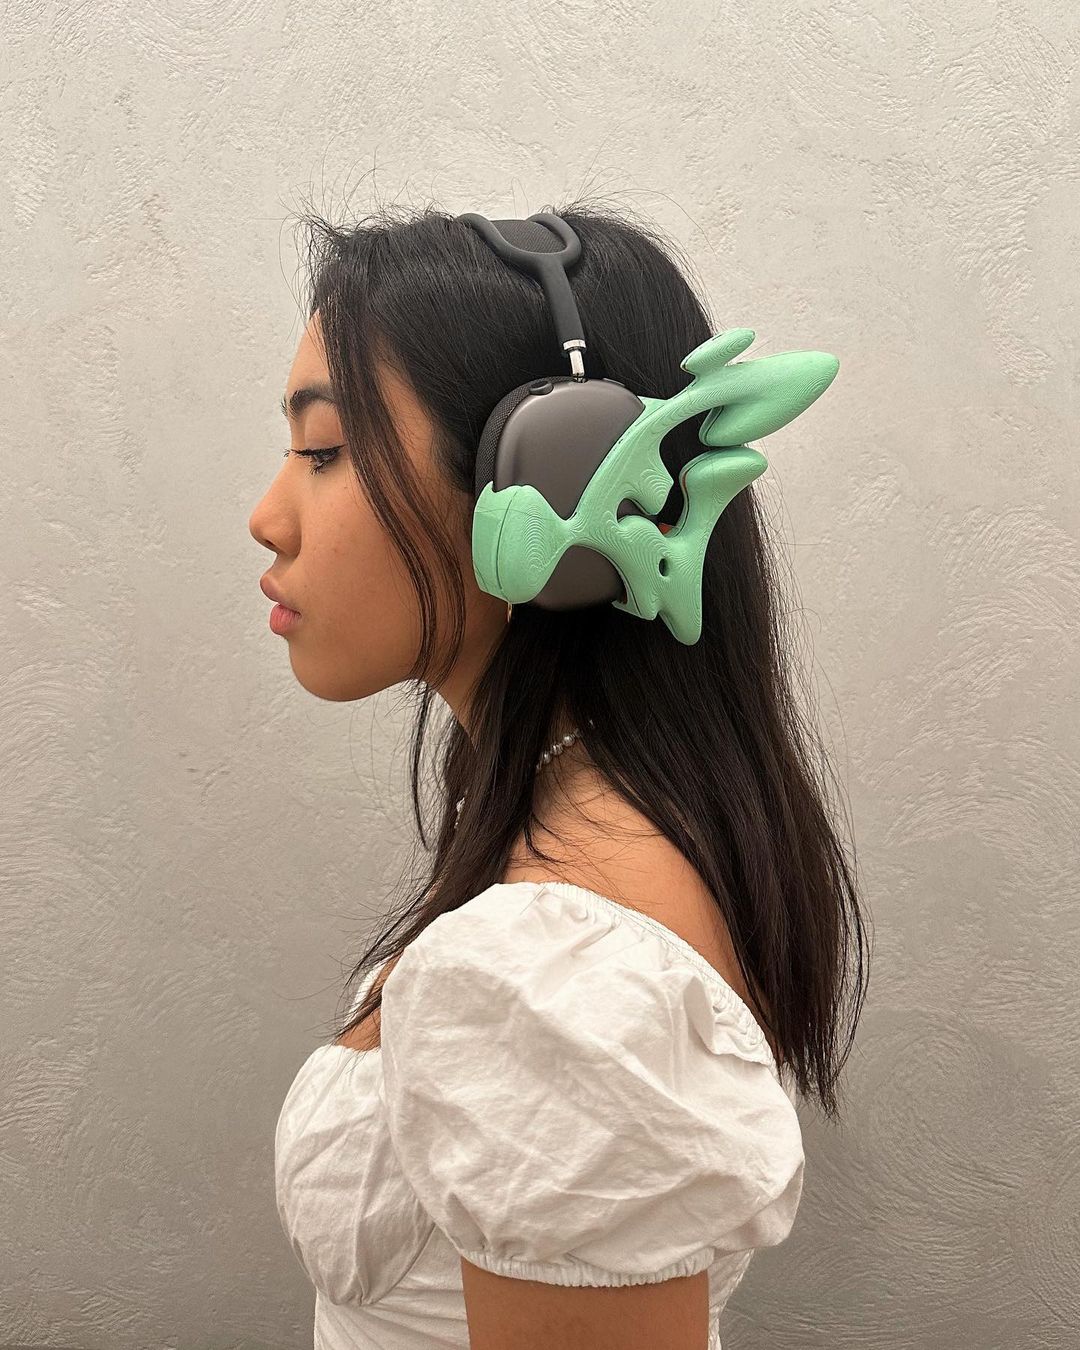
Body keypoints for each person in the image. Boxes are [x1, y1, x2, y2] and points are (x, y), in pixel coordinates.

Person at [249, 197, 870, 1350]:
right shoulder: (606, 839)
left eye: (325, 452)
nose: (267, 517)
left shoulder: (553, 972)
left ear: (559, 477)